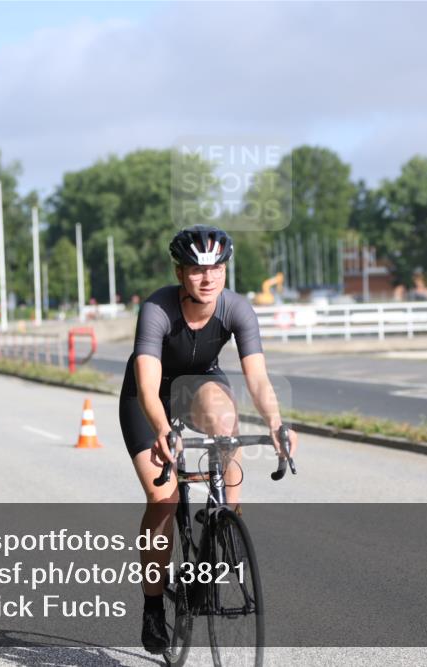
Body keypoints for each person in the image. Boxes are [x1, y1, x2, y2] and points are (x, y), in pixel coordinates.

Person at [119, 224, 298, 653]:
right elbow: (147, 387)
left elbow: (256, 376)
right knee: (163, 501)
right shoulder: (157, 309)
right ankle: (152, 606)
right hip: (150, 397)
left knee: (224, 420)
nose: (208, 278)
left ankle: (223, 518)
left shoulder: (237, 309)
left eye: (216, 268)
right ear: (180, 273)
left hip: (198, 385)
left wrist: (275, 422)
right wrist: (163, 430)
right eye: (197, 270)